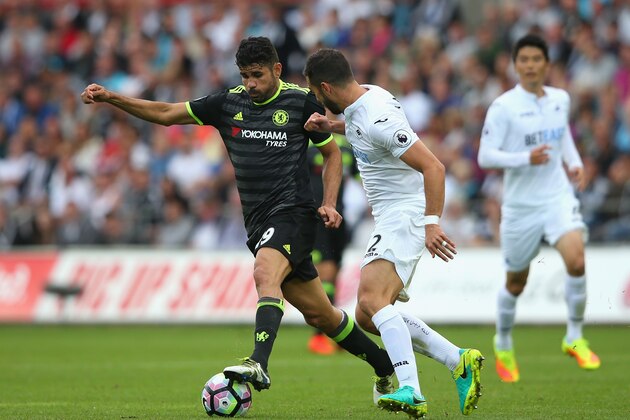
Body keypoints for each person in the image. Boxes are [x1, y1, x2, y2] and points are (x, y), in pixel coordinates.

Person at [81, 36, 396, 402]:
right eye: (245, 75)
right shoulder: (227, 103)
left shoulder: (301, 102)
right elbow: (167, 114)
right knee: (322, 315)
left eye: (258, 75)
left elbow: (332, 155)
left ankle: (258, 362)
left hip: (293, 213)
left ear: (277, 70)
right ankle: (386, 367)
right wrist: (112, 98)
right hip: (257, 223)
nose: (251, 83)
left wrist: (329, 202)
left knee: (265, 272)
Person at [303, 48, 483, 418]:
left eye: (316, 95)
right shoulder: (365, 96)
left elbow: (434, 167)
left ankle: (411, 391)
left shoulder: (377, 117)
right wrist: (332, 126)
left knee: (370, 300)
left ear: (325, 88)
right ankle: (458, 360)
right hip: (392, 217)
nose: (317, 102)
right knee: (369, 315)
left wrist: (431, 222)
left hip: (406, 214)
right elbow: (361, 130)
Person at [477, 33, 600, 383]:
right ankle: (503, 342)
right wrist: (524, 158)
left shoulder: (561, 99)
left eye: (536, 59)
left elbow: (563, 139)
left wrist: (574, 163)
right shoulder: (503, 107)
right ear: (515, 66)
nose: (530, 65)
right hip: (519, 207)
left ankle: (574, 337)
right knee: (516, 282)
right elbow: (485, 157)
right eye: (524, 60)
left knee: (576, 260)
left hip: (557, 198)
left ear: (547, 64)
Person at [306, 123, 357, 355]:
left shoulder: (346, 146)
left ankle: (333, 332)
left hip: (339, 214)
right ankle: (320, 336)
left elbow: (360, 177)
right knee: (324, 272)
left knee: (333, 275)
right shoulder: (305, 143)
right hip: (316, 215)